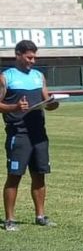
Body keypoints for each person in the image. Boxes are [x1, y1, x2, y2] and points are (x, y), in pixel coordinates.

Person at [1, 40, 59, 231]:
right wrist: (14, 107)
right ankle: (10, 219)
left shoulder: (38, 76)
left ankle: (40, 215)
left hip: (39, 133)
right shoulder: (6, 77)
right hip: (18, 133)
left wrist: (52, 103)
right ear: (18, 55)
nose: (33, 61)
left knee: (40, 174)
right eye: (29, 57)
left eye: (35, 57)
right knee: (14, 175)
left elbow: (46, 99)